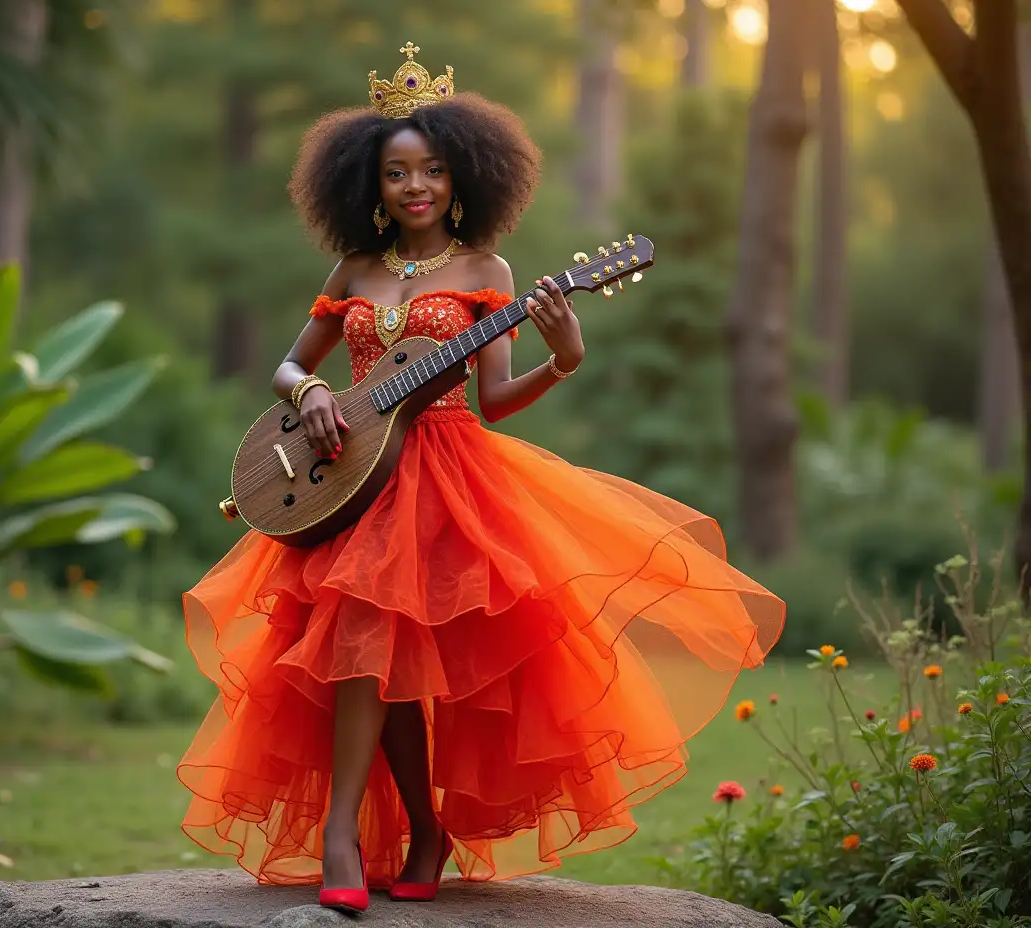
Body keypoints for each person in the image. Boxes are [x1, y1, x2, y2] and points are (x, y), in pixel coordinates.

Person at [178, 42, 785, 914]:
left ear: (461, 180)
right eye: (395, 173)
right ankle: (366, 832)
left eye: (431, 170)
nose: (414, 186)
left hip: (447, 481)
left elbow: (496, 399)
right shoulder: (353, 269)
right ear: (370, 186)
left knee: (396, 668)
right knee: (363, 661)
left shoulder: (487, 273)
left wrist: (563, 359)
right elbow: (287, 366)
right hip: (346, 478)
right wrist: (310, 391)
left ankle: (403, 833)